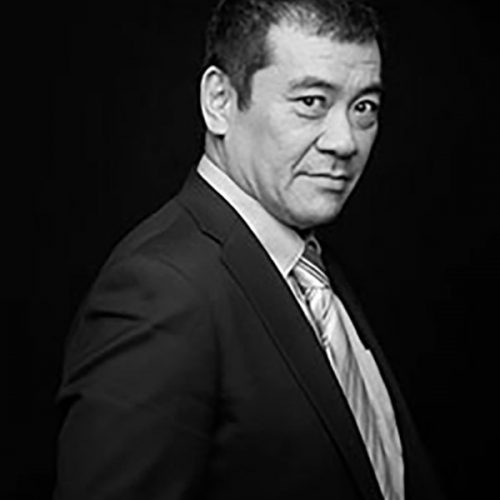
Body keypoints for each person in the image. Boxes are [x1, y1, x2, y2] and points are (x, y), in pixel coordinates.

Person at [54, 0, 443, 499]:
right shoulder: (162, 291)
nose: (345, 141)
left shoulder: (309, 266)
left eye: (363, 107)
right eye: (311, 101)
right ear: (219, 100)